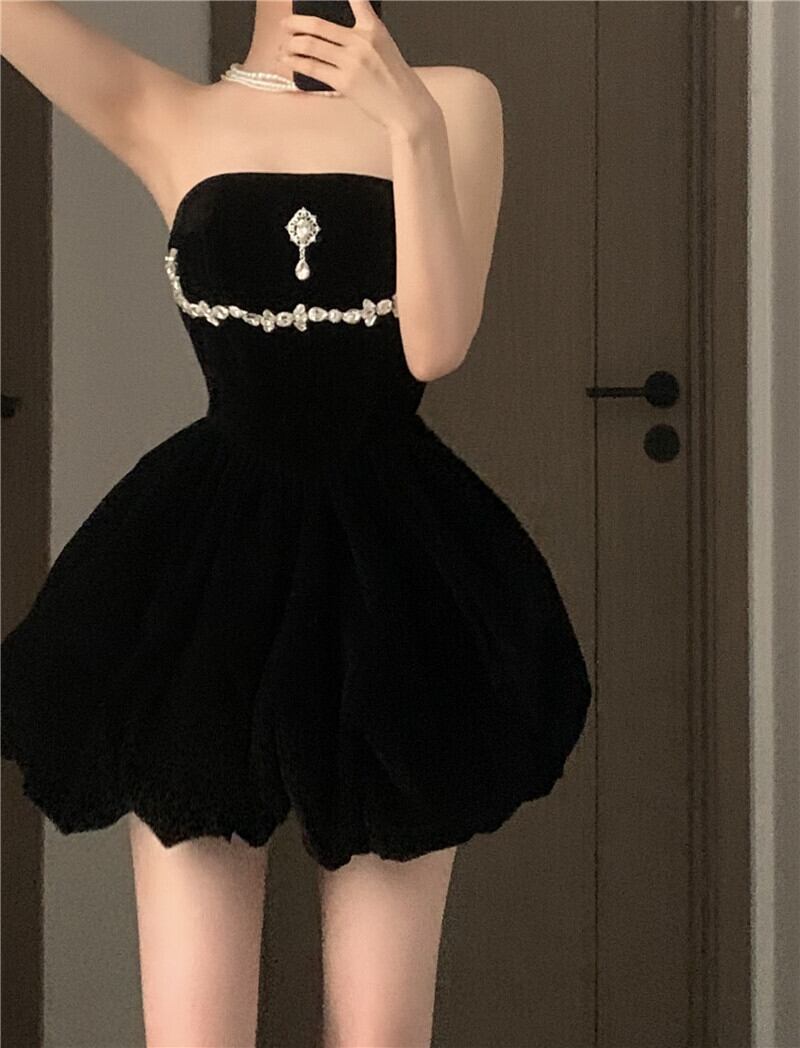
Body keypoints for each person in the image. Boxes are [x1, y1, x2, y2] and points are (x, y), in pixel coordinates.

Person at [0, 1, 592, 1045]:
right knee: (193, 1031)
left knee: (381, 1030)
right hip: (204, 576)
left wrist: (409, 125)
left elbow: (436, 346)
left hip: (396, 573)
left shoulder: (452, 102)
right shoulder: (170, 113)